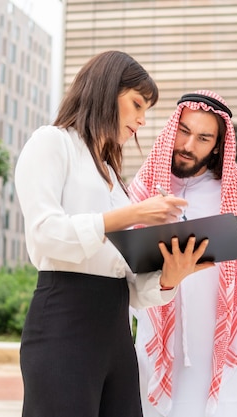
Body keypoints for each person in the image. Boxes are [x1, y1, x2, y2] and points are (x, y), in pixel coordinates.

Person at [14, 51, 213, 417]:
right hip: (63, 324)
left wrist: (171, 276)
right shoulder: (51, 143)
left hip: (117, 336)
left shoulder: (112, 177)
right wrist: (130, 214)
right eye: (137, 104)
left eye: (146, 111)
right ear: (106, 91)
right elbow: (44, 234)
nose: (140, 120)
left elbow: (132, 288)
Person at [129, 90, 237, 417]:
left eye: (203, 138)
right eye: (184, 131)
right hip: (160, 347)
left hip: (225, 348)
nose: (189, 145)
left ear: (218, 145)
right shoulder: (143, 189)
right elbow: (119, 275)